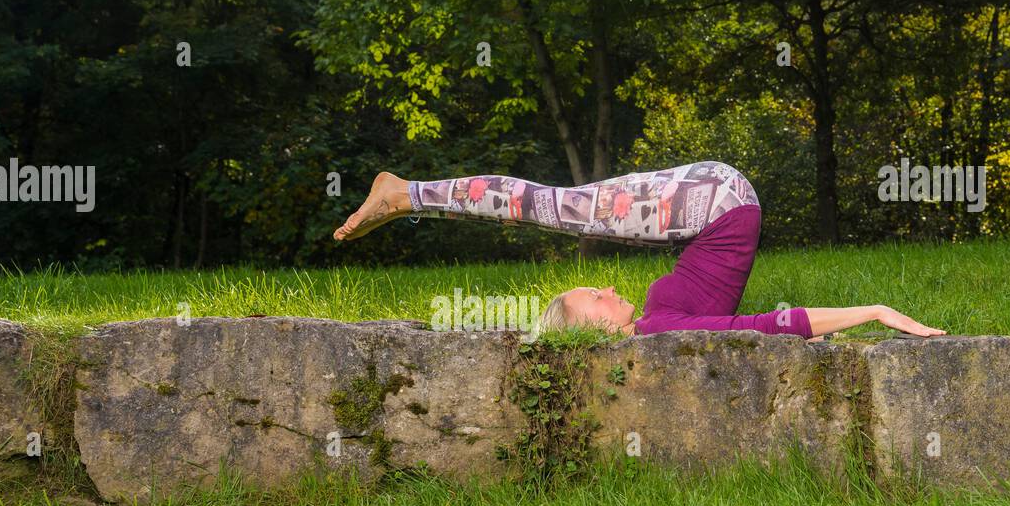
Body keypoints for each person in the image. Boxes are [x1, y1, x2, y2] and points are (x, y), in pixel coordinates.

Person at [333, 165, 946, 341]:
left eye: (590, 289)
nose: (602, 289)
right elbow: (766, 325)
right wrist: (875, 312)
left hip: (713, 204)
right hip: (718, 205)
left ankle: (408, 194)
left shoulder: (654, 328)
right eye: (593, 300)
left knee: (560, 206)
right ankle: (404, 194)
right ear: (597, 335)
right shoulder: (659, 332)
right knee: (554, 207)